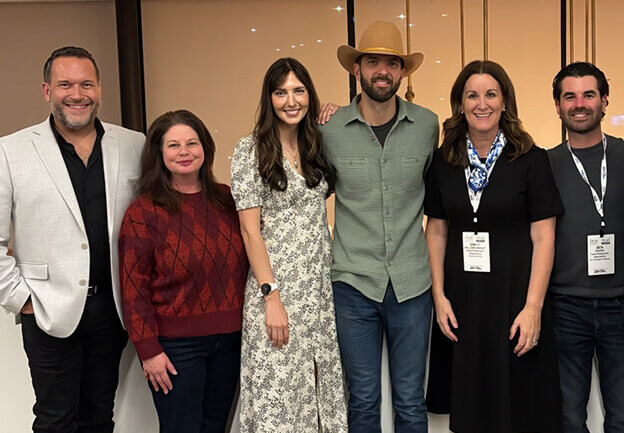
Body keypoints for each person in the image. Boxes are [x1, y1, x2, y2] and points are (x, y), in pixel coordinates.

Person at [0, 46, 143, 433]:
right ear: (47, 91)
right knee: (55, 420)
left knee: (99, 417)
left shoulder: (134, 145)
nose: (76, 94)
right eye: (65, 84)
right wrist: (22, 300)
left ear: (99, 89)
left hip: (112, 311)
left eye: (86, 84)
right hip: (47, 311)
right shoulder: (11, 150)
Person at [424, 59, 563, 433]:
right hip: (462, 301)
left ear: (504, 102)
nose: (481, 103)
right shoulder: (444, 160)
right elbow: (436, 231)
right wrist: (439, 296)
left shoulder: (531, 159)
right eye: (472, 95)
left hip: (514, 300)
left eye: (490, 94)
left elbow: (544, 237)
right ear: (460, 103)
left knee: (517, 405)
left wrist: (533, 307)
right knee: (470, 406)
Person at [320, 20, 439, 433]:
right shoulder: (328, 131)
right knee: (364, 399)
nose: (382, 71)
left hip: (412, 282)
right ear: (357, 70)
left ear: (403, 71)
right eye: (373, 62)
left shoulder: (427, 126)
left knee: (410, 401)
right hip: (353, 283)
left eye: (391, 63)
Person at [230, 57, 347, 432]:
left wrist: (338, 116)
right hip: (276, 291)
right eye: (281, 92)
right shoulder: (250, 150)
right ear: (269, 98)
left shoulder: (316, 145)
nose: (291, 100)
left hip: (318, 291)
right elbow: (250, 232)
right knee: (276, 399)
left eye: (299, 91)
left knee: (314, 396)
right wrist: (271, 297)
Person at [119, 110, 247, 432]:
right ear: (160, 154)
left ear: (206, 147)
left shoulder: (229, 200)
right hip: (176, 348)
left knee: (216, 427)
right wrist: (149, 351)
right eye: (174, 145)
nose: (185, 151)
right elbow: (134, 290)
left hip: (231, 341)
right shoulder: (144, 211)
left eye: (192, 142)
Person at [548, 62, 624, 433]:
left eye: (588, 94)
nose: (579, 103)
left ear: (605, 101)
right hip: (564, 307)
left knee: (623, 418)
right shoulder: (544, 164)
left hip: (623, 308)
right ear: (557, 105)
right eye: (569, 96)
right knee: (568, 418)